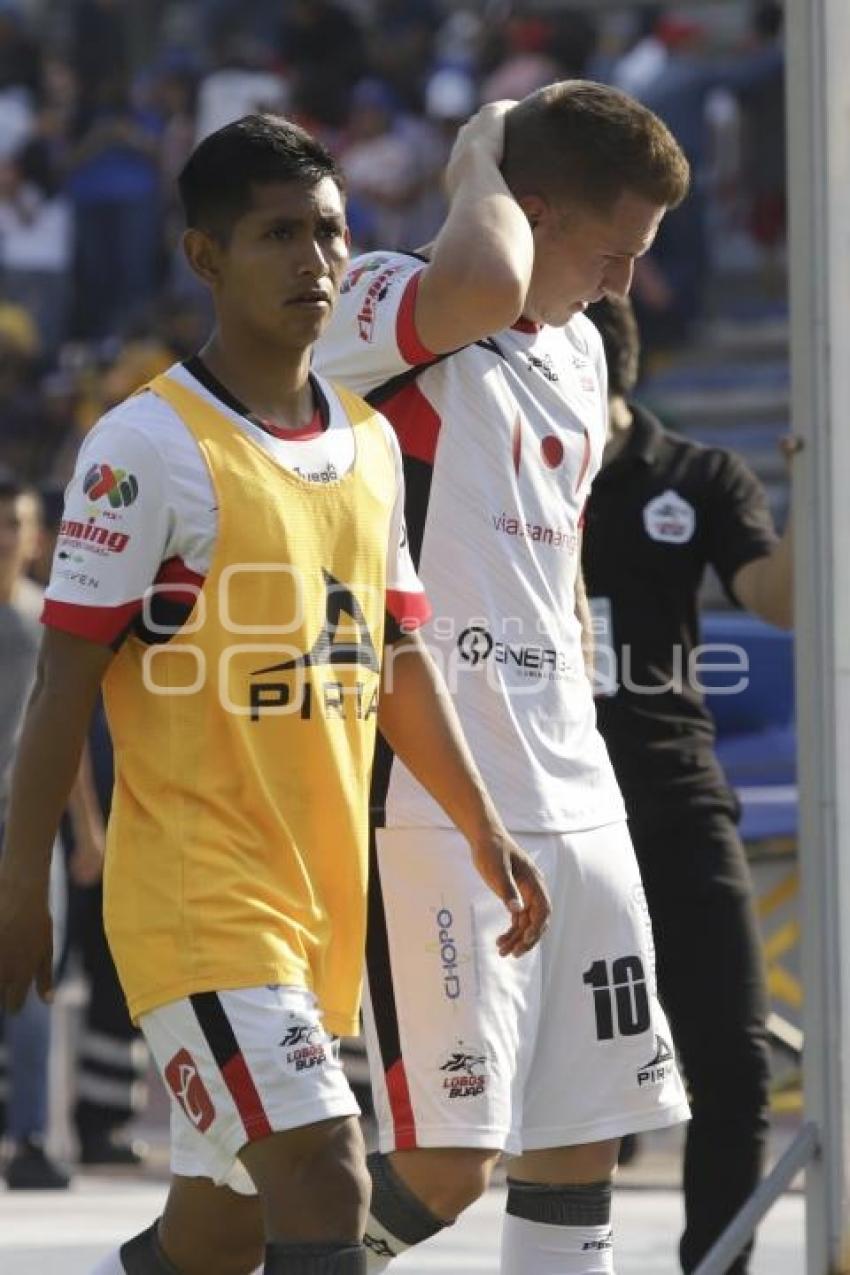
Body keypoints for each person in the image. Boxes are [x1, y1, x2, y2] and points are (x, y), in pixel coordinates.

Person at [0, 114, 549, 1275]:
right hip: (199, 902)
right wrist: (16, 887)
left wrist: (483, 825)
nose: (316, 262)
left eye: (332, 232)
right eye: (278, 235)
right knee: (323, 1172)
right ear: (205, 257)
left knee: (223, 1227)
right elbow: (60, 688)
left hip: (315, 910)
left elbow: (394, 659)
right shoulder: (142, 446)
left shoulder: (364, 440)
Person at [314, 83, 692, 1275]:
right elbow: (479, 286)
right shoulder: (384, 296)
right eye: (611, 251)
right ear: (525, 210)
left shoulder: (580, 352)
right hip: (433, 792)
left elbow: (558, 563)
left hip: (574, 787)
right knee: (447, 1163)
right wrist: (476, 148)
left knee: (582, 1140)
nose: (624, 283)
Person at [582, 294, 791, 1273]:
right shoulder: (479, 476)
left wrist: (822, 482)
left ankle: (717, 1264)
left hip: (672, 794)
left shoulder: (696, 476)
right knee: (557, 1092)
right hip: (540, 811)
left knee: (734, 1064)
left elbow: (779, 601)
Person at [0, 475, 69, 1190]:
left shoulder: (50, 614)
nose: (8, 536)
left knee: (34, 980)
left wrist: (90, 827)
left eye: (16, 523)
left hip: (29, 821)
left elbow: (63, 728)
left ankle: (31, 1137)